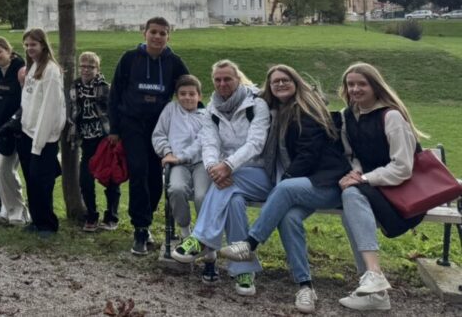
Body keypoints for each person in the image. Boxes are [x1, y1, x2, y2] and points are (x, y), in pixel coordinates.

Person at [218, 65, 349, 314]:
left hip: (327, 183)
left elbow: (309, 155)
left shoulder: (308, 109)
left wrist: (286, 178)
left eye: (285, 79)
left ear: (296, 81)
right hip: (305, 185)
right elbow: (252, 95)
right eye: (275, 82)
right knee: (288, 219)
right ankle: (305, 286)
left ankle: (250, 244)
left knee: (285, 188)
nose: (280, 84)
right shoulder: (279, 109)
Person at [172, 60, 270, 297]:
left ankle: (201, 238)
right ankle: (244, 271)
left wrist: (227, 166)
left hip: (260, 174)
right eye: (218, 80)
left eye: (228, 79)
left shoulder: (257, 104)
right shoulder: (211, 110)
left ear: (238, 79)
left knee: (228, 186)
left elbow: (256, 143)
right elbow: (209, 143)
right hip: (228, 177)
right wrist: (213, 168)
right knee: (233, 200)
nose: (222, 83)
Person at [334, 63, 425, 312]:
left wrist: (362, 180)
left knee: (351, 198)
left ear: (375, 86)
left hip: (403, 191)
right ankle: (374, 285)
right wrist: (356, 172)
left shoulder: (391, 116)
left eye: (361, 84)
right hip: (374, 186)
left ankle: (374, 281)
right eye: (350, 84)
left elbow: (403, 168)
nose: (355, 89)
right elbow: (353, 155)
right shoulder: (347, 116)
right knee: (350, 199)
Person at [108, 16, 190, 254]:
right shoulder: (129, 59)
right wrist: (114, 128)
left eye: (162, 33)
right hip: (132, 125)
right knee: (138, 172)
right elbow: (115, 94)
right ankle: (140, 228)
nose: (157, 37)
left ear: (168, 37)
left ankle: (147, 217)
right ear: (144, 33)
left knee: (156, 177)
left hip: (160, 128)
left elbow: (189, 88)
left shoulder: (174, 62)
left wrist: (202, 115)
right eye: (153, 32)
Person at [16, 28, 66, 238]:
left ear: (43, 45)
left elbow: (49, 108)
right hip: (28, 131)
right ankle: (37, 220)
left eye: (33, 45)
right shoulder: (34, 66)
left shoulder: (51, 71)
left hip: (43, 136)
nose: (29, 49)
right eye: (26, 45)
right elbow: (28, 100)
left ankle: (47, 223)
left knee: (42, 181)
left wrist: (39, 141)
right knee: (31, 179)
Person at [152, 74, 209, 243]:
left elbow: (205, 141)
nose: (187, 97)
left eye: (192, 94)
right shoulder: (171, 109)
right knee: (176, 189)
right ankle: (185, 230)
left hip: (201, 163)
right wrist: (167, 152)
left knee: (202, 196)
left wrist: (183, 157)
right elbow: (159, 134)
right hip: (176, 162)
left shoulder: (207, 115)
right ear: (177, 96)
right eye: (183, 94)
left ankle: (203, 235)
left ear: (199, 96)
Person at [76, 51, 120, 232]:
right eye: (83, 66)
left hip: (103, 138)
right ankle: (91, 215)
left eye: (91, 67)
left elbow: (115, 111)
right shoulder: (75, 87)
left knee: (110, 178)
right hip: (86, 139)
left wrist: (115, 132)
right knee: (85, 179)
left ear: (98, 68)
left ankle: (111, 216)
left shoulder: (105, 87)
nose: (86, 70)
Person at [0, 37, 28, 225]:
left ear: (8, 50)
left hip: (11, 129)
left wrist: (15, 122)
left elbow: (26, 100)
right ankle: (6, 207)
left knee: (7, 169)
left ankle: (20, 209)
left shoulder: (20, 69)